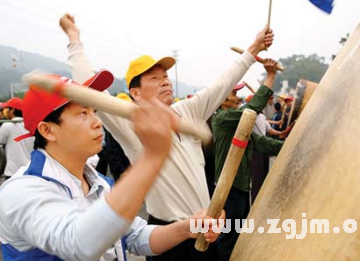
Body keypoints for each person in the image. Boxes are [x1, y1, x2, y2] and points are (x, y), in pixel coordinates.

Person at [60, 13, 273, 261]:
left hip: (206, 230)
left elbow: (221, 84)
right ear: (135, 93)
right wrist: (74, 37)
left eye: (165, 77)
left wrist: (254, 48)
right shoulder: (130, 122)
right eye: (154, 78)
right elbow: (89, 86)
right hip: (169, 237)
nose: (165, 82)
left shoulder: (187, 111)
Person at [0, 73, 222, 261]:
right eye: (82, 113)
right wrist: (153, 155)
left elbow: (135, 237)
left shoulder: (100, 185)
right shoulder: (21, 191)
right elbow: (78, 243)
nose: (97, 122)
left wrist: (188, 227)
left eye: (94, 112)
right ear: (48, 130)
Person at [212, 59, 284, 261]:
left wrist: (290, 145)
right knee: (229, 237)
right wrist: (270, 76)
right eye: (234, 94)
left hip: (241, 186)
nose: (238, 98)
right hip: (230, 188)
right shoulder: (223, 119)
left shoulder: (235, 121)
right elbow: (251, 110)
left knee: (239, 233)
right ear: (221, 100)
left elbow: (260, 143)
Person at [0, 97, 34, 179]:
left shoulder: (7, 126)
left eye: (6, 108)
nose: (5, 111)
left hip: (13, 172)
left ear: (12, 110)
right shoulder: (31, 125)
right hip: (29, 171)